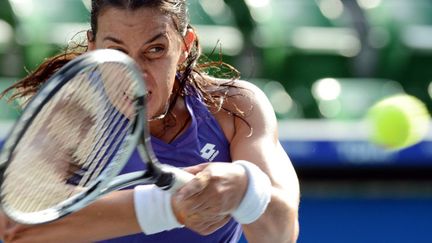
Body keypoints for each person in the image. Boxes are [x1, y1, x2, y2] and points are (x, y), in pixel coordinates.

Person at [0, 0, 300, 242]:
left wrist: (247, 189)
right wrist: (167, 207)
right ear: (93, 49)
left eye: (155, 50)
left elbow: (281, 234)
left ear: (184, 47)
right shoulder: (70, 118)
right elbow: (15, 226)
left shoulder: (235, 107)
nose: (136, 74)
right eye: (117, 51)